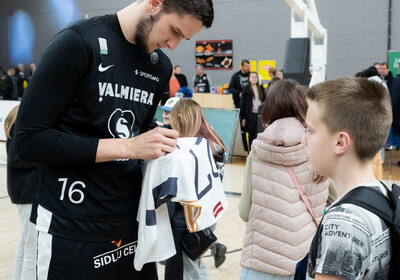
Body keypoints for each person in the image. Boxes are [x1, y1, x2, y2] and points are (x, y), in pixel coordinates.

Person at [14, 0, 214, 279]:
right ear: (155, 4)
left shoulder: (160, 67)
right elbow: (27, 140)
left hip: (133, 226)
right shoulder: (77, 42)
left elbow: (140, 136)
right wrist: (129, 146)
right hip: (71, 228)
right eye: (174, 31)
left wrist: (169, 151)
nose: (173, 44)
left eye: (183, 38)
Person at [238, 79, 329, 280]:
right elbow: (336, 199)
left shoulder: (257, 151)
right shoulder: (317, 148)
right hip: (305, 260)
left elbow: (245, 212)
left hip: (260, 261)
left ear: (270, 105)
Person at [304, 77, 392, 279]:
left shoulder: (343, 223)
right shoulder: (382, 194)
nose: (303, 139)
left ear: (340, 142)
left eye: (310, 130)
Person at [165, 98, 227, 280]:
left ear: (181, 118)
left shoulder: (190, 149)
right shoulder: (212, 143)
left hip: (190, 214)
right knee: (193, 264)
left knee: (188, 268)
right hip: (208, 210)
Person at [5, 105, 38, 280]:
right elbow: (16, 158)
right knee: (33, 250)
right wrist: (48, 154)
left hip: (24, 192)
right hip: (27, 193)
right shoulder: (25, 117)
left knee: (25, 245)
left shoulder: (21, 115)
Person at [240, 71, 266, 149]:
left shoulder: (261, 88)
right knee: (251, 135)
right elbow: (242, 105)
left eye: (256, 77)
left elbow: (264, 101)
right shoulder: (246, 89)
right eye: (252, 77)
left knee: (259, 134)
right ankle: (251, 152)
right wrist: (243, 117)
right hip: (250, 115)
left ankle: (258, 150)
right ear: (249, 79)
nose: (254, 78)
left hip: (260, 115)